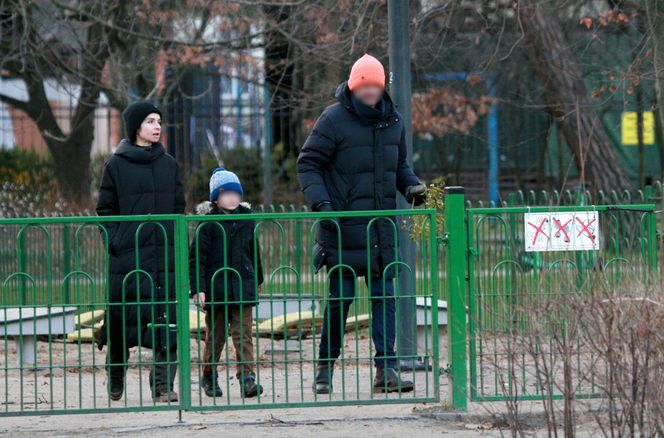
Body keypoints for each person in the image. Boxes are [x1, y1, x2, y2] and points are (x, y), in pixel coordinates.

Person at [297, 54, 427, 394]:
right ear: (354, 86)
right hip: (341, 228)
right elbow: (308, 163)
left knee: (385, 298)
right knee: (339, 301)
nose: (370, 91)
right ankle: (325, 368)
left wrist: (412, 186)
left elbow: (399, 167)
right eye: (364, 85)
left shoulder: (393, 121)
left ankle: (387, 370)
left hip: (381, 230)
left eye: (375, 85)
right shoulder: (333, 119)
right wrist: (322, 204)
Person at [96, 101, 186, 402]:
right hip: (128, 260)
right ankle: (116, 371)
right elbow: (105, 211)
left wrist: (175, 244)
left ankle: (162, 386)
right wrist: (116, 242)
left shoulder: (169, 164)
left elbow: (178, 208)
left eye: (159, 120)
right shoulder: (116, 165)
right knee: (123, 323)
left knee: (167, 323)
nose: (157, 126)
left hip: (164, 261)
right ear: (136, 127)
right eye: (150, 121)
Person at [189, 168, 264, 399]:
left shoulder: (246, 220)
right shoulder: (208, 224)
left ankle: (247, 378)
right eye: (226, 193)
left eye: (236, 193)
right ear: (215, 198)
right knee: (216, 335)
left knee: (244, 334)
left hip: (242, 285)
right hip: (216, 288)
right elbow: (196, 260)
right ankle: (209, 375)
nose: (232, 198)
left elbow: (254, 252)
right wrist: (198, 289)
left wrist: (258, 278)